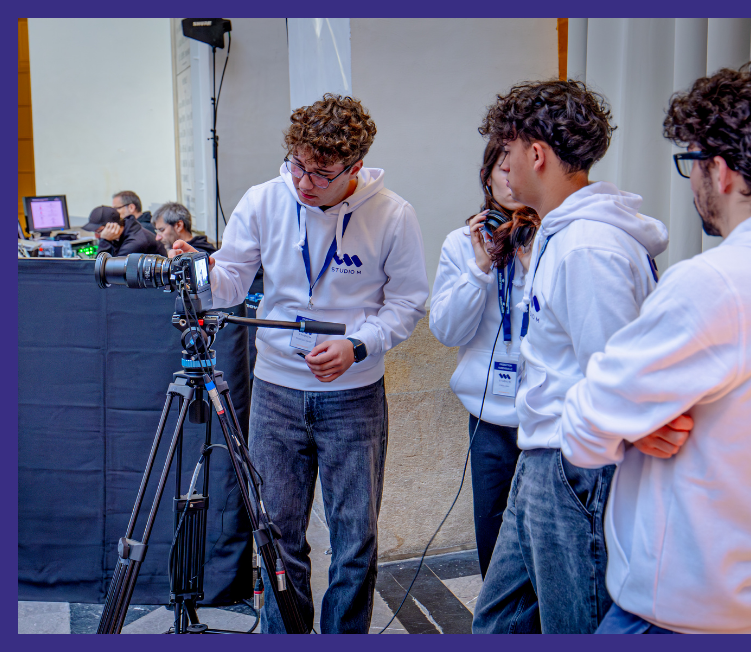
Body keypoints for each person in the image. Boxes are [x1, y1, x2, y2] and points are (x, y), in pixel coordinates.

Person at [558, 59, 751, 634]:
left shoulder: (715, 284)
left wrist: (630, 425)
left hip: (676, 612)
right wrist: (637, 423)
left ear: (723, 170)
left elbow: (584, 428)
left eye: (693, 163)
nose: (692, 183)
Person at [169, 93, 429, 634]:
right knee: (277, 535)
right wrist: (201, 272)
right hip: (275, 393)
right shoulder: (264, 200)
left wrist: (358, 345)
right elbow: (230, 282)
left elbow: (407, 303)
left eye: (322, 174)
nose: (305, 182)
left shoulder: (392, 214)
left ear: (355, 168)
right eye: (297, 165)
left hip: (354, 396)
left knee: (354, 538)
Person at [471, 79, 685, 634]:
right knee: (497, 622)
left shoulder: (589, 246)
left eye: (508, 152)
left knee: (575, 624)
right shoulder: (561, 234)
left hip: (573, 464)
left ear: (537, 154)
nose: (503, 166)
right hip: (542, 455)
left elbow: (613, 375)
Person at [429, 140, 540, 578]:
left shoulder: (552, 242)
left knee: (542, 535)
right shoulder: (461, 245)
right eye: (502, 170)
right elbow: (446, 332)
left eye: (520, 169)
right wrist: (478, 270)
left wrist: (531, 269)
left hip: (544, 411)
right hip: (487, 415)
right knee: (492, 533)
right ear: (487, 177)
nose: (512, 180)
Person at [82, 205, 165, 256]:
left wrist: (104, 241)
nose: (96, 236)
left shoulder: (135, 243)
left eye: (99, 231)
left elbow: (105, 270)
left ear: (113, 226)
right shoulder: (125, 231)